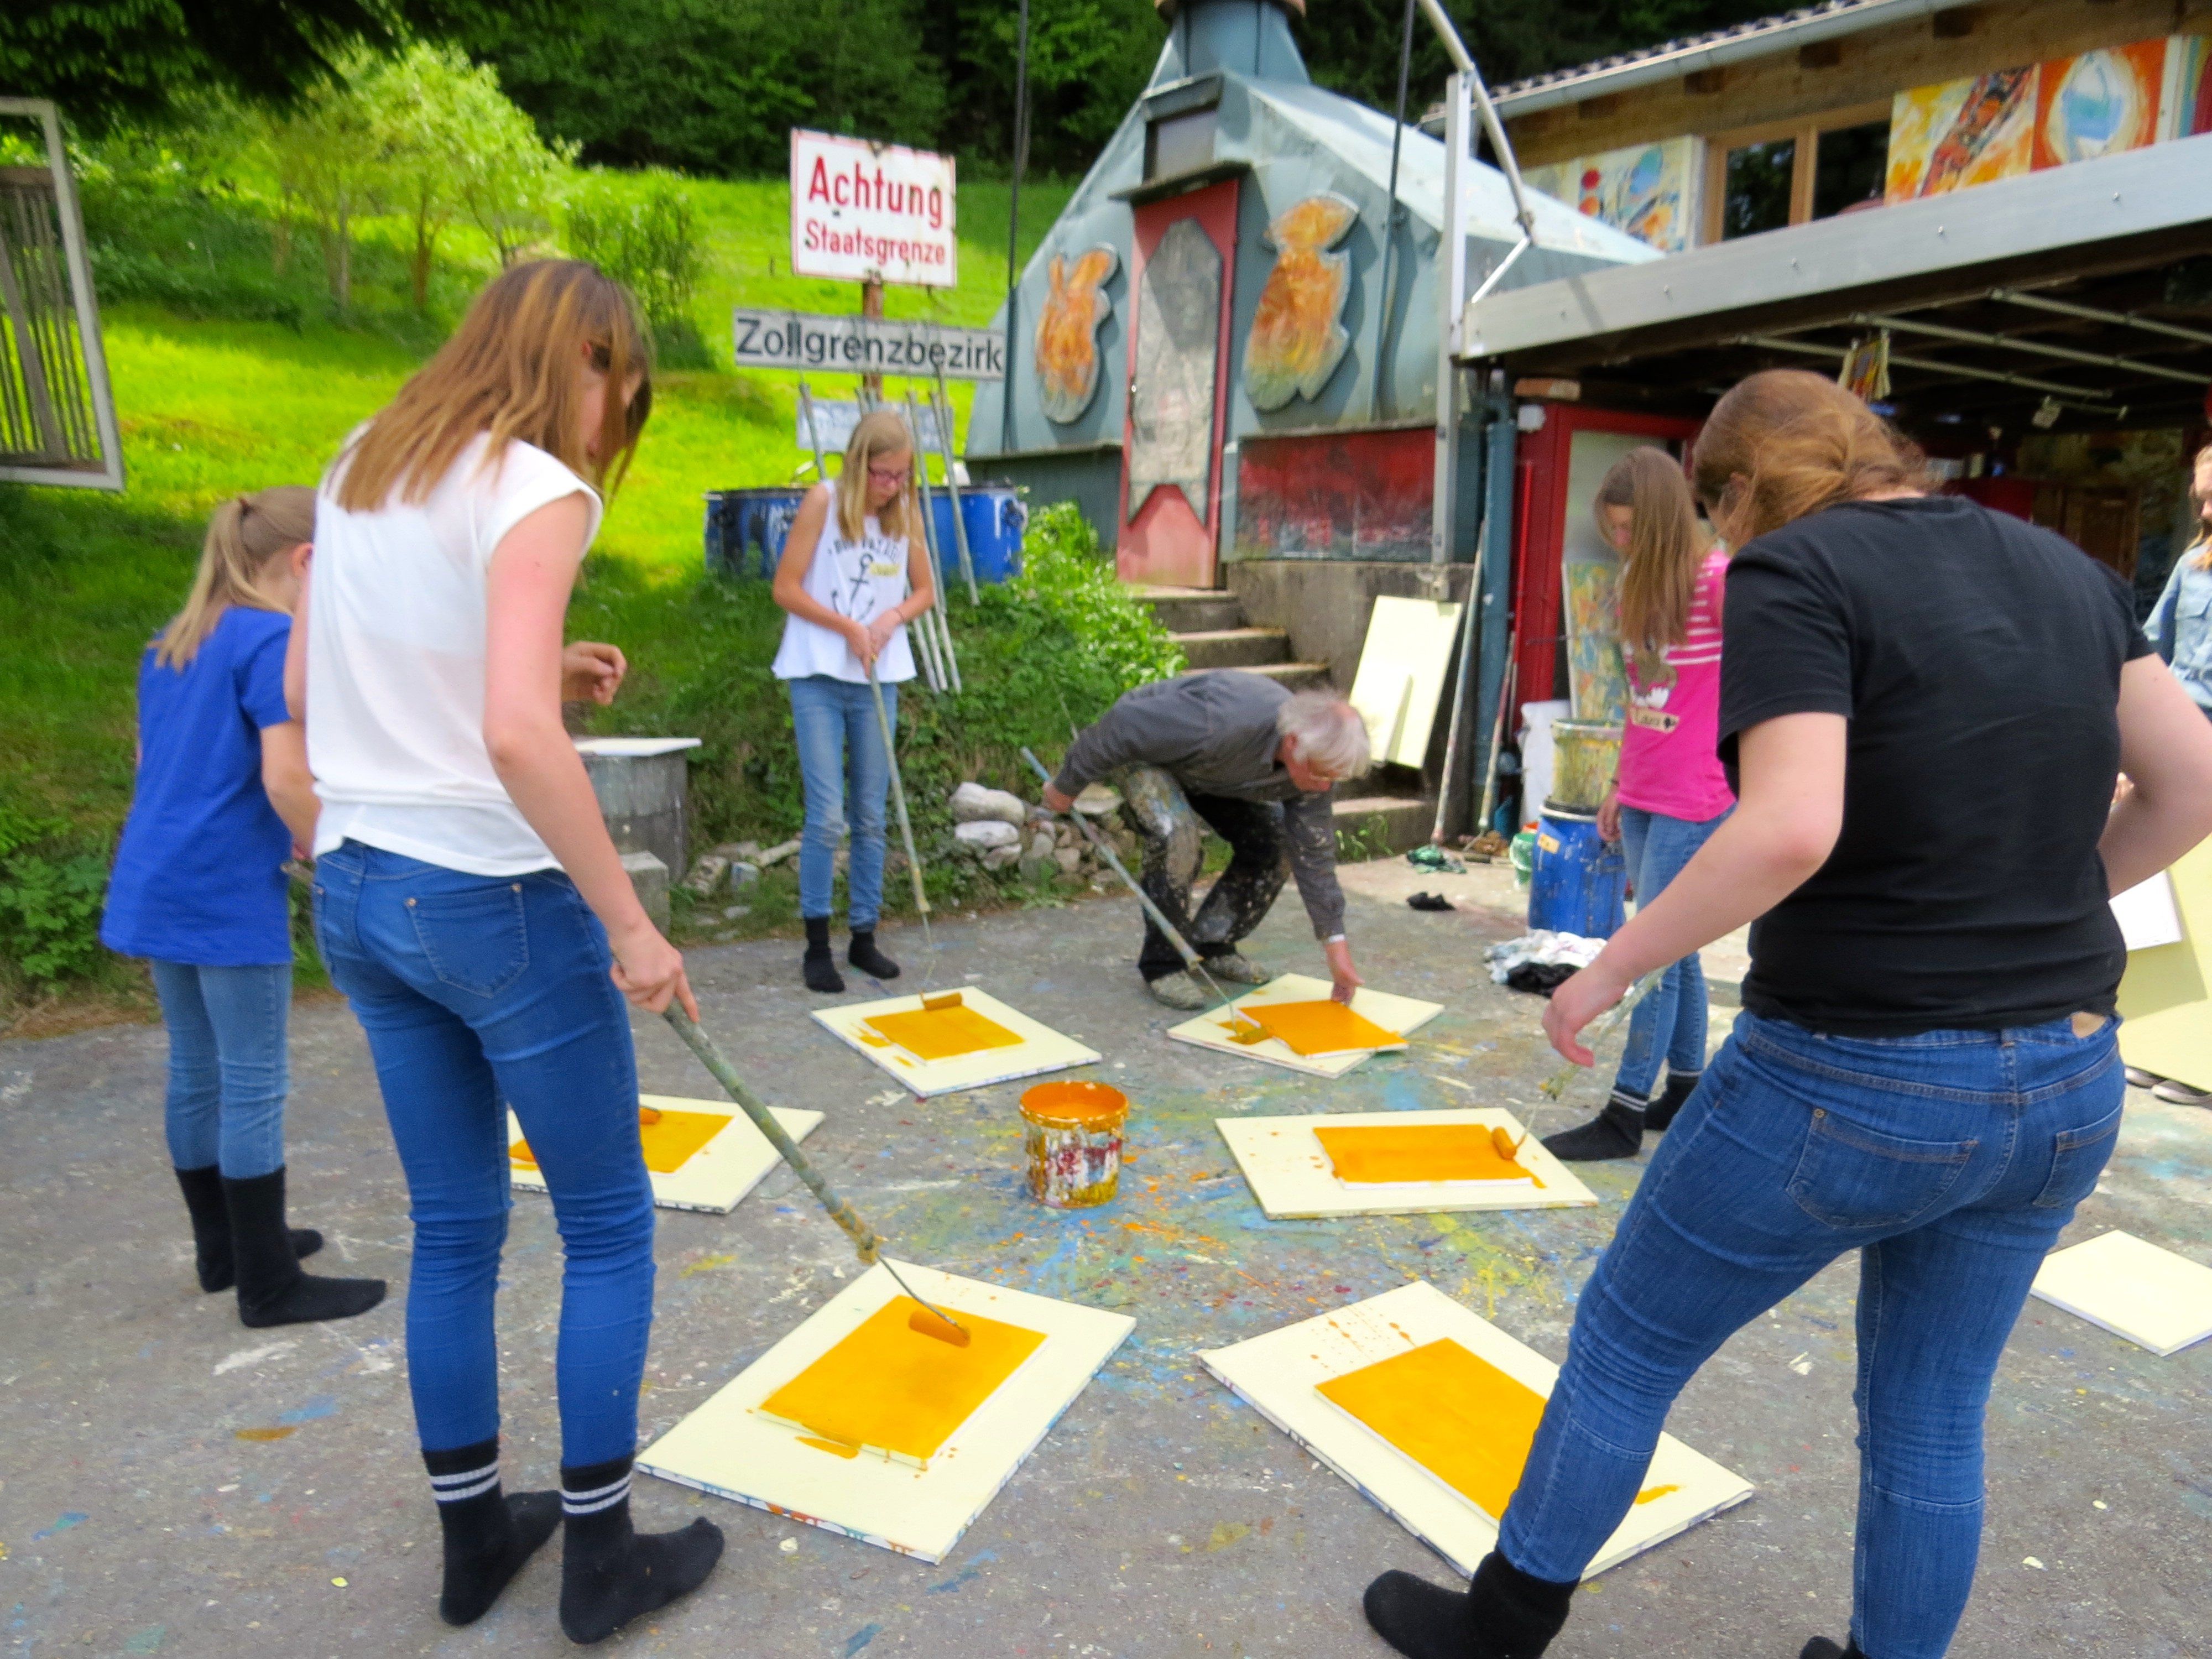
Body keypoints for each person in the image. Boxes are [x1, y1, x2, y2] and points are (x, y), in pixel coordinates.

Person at [1361, 369, 2212, 1659]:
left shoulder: (1793, 569)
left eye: (1717, 508)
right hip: (2066, 1076)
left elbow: (1789, 825)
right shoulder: (2065, 569)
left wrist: (1608, 966)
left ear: (1740, 488)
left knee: (1627, 1342)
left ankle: (1498, 1627)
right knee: (1930, 1409)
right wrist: (2042, 904)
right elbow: (2190, 781)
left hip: (1854, 1071)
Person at [294, 260, 722, 1643]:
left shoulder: (363, 461)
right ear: (579, 357)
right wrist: (630, 924)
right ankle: (601, 1563)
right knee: (607, 1224)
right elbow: (512, 735)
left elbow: (314, 686)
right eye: (622, 391)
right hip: (488, 896)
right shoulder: (533, 483)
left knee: (456, 1227)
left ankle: (473, 1539)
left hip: (357, 885)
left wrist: (543, 662)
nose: (616, 426)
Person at [100, 488, 388, 1330]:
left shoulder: (176, 640)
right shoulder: (270, 638)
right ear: (306, 561)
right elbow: (286, 778)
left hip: (158, 874)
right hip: (224, 889)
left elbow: (156, 762)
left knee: (197, 1068)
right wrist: (346, 861)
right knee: (255, 1081)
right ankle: (269, 1286)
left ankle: (225, 1249)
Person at [1545, 448, 1734, 1162]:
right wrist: (1621, 784)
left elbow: (1763, 687)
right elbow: (1639, 699)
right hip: (1647, 790)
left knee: (1651, 951)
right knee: (1674, 950)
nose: (1618, 541)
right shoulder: (1635, 586)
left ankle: (1623, 1113)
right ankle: (1684, 1089)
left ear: (1659, 522)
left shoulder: (1718, 582)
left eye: (1627, 529)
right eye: (1611, 530)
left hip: (1698, 794)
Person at [1041, 674, 1370, 1009]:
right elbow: (1123, 725)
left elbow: (1314, 853)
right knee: (1177, 835)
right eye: (1320, 774)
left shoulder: (1315, 764)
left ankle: (1213, 943)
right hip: (1151, 757)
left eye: (1334, 778)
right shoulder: (1216, 724)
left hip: (1216, 775)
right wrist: (1066, 786)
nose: (1325, 787)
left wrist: (1335, 947)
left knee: (1278, 841)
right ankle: (1163, 966)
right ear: (1292, 743)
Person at [770, 408, 936, 993]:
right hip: (817, 674)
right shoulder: (824, 501)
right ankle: (817, 946)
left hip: (877, 678)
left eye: (901, 476)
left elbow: (925, 591)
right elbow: (785, 587)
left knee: (871, 813)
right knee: (827, 815)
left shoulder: (905, 512)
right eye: (882, 474)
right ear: (859, 463)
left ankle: (864, 936)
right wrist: (845, 627)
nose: (890, 486)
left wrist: (892, 617)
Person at [2130, 440, 2212, 1105]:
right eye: (2201, 497)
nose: (2205, 509)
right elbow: (2151, 653)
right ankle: (2165, 1045)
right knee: (2175, 906)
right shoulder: (2191, 565)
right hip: (2185, 751)